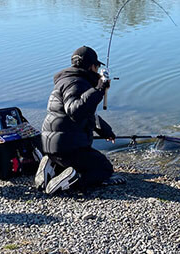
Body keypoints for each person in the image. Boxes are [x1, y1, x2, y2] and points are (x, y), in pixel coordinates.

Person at [36, 46, 122, 194]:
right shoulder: (77, 83)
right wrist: (99, 89)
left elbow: (86, 114)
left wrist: (106, 131)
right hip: (67, 147)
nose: (97, 69)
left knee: (81, 161)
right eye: (97, 66)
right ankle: (66, 182)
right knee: (104, 168)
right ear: (92, 66)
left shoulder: (66, 81)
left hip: (52, 145)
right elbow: (76, 111)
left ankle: (51, 164)